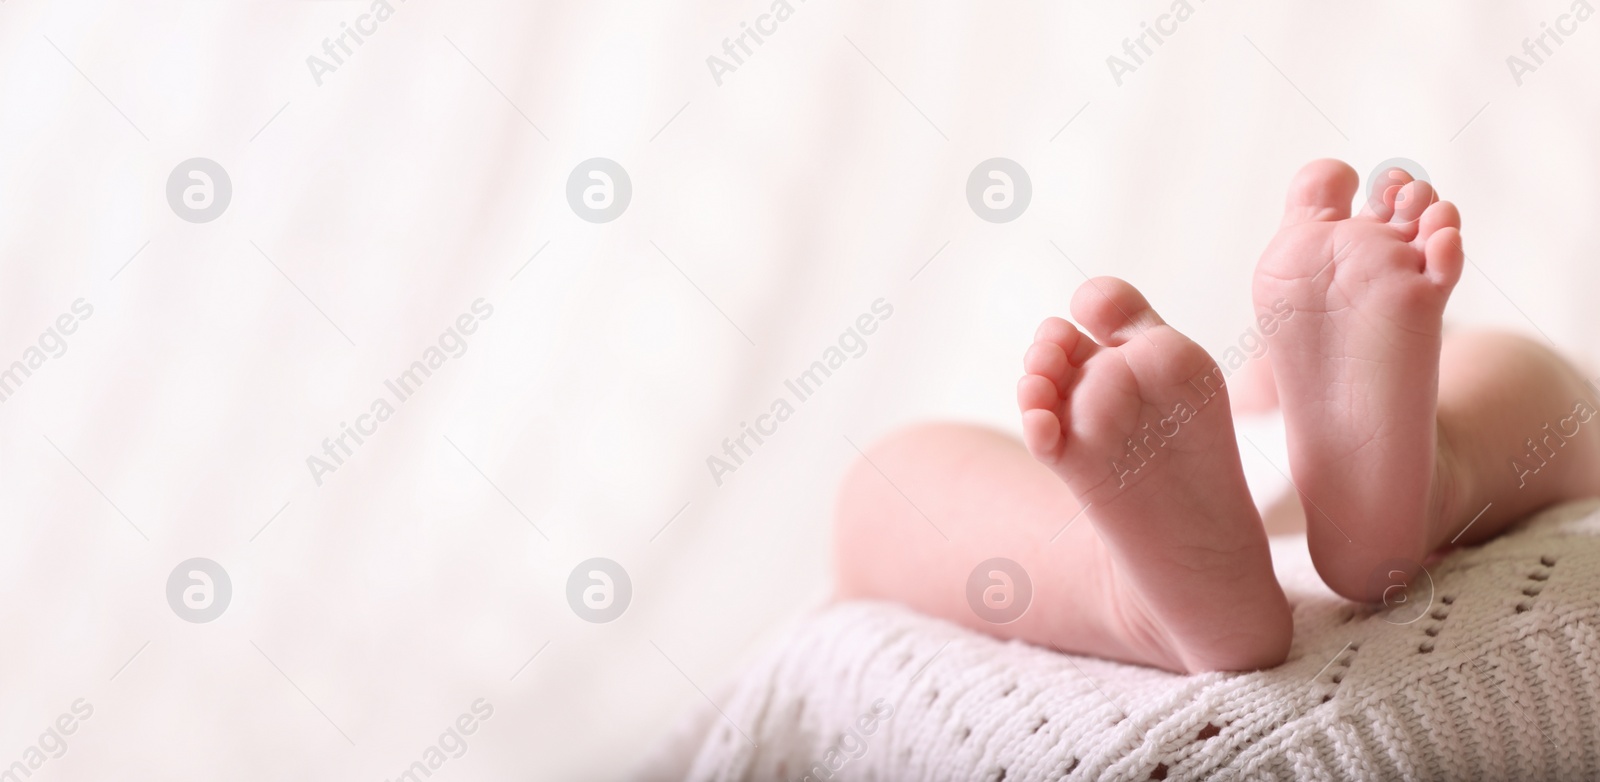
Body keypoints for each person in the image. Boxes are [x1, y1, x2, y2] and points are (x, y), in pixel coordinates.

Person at [833, 159, 1600, 673]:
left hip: (1272, 456)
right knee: (1544, 383)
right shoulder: (1205, 415)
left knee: (887, 486)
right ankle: (1429, 481)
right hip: (1250, 460)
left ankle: (1126, 593)